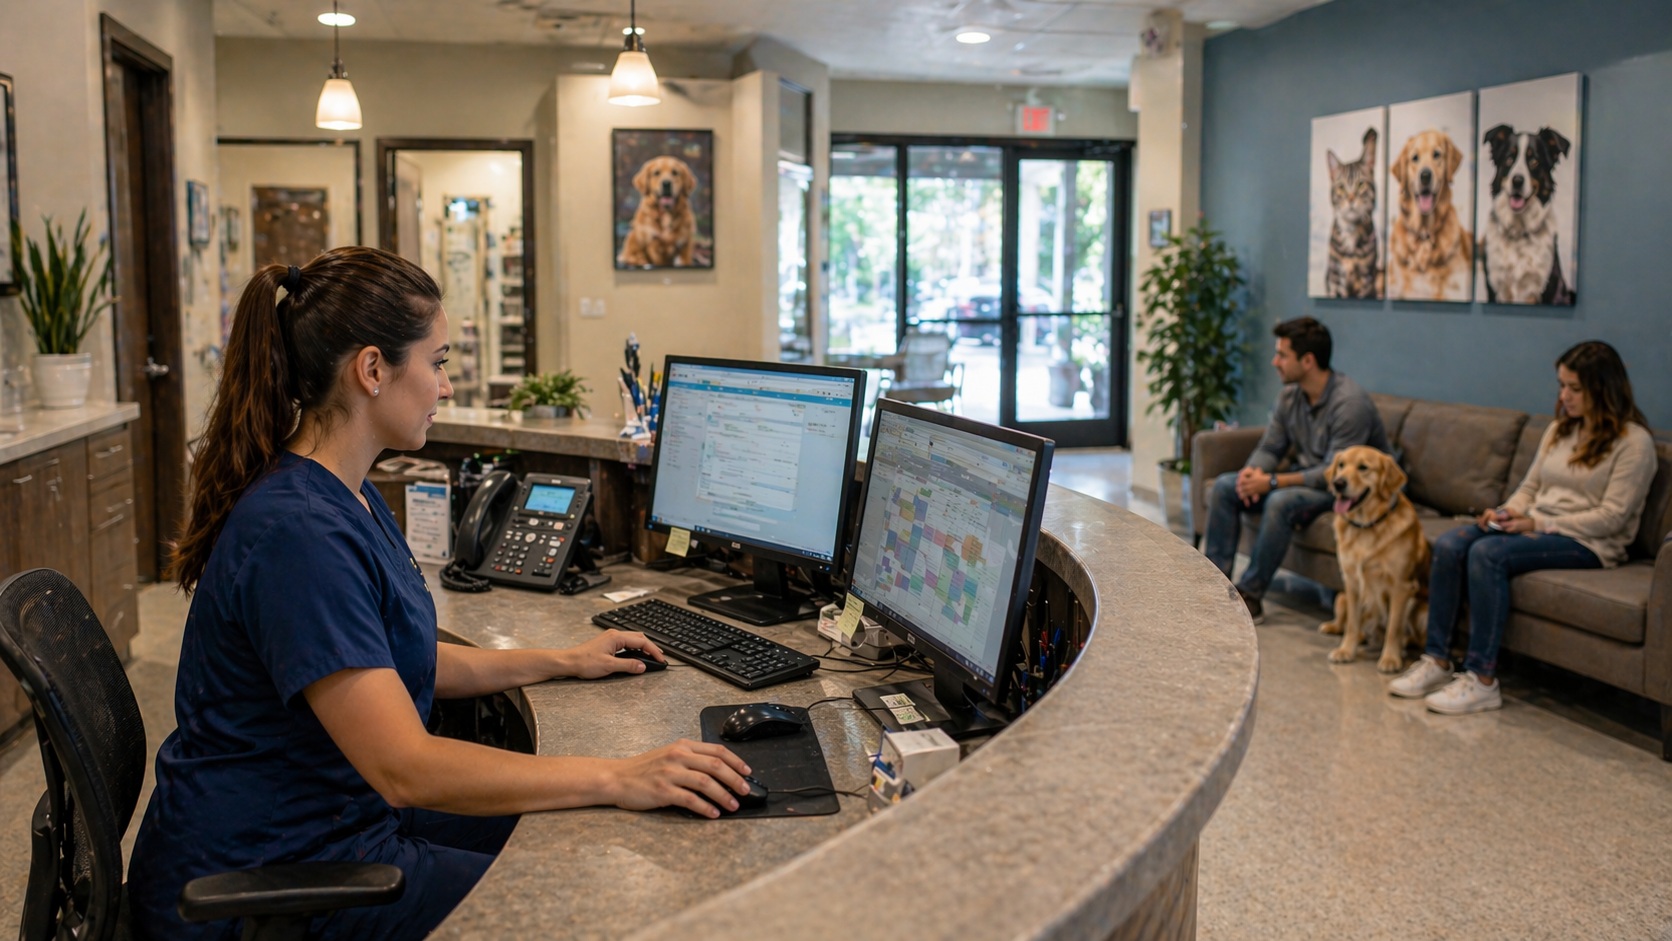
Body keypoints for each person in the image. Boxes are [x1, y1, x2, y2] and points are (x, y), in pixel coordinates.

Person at [129, 247, 753, 941]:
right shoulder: (299, 535)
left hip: (333, 817)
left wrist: (565, 658)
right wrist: (618, 772)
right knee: (587, 892)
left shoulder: (343, 491)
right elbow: (405, 766)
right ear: (372, 370)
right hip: (269, 874)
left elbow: (402, 657)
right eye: (439, 362)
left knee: (583, 827)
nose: (447, 387)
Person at [1389, 340, 1656, 714]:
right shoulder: (1560, 430)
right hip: (1537, 525)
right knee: (1451, 544)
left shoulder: (1634, 443)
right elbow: (1530, 487)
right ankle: (1436, 660)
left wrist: (1537, 523)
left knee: (1487, 554)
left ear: (1604, 389)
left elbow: (1612, 517)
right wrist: (1504, 513)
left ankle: (1482, 679)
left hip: (1590, 543)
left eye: (1575, 388)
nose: (1564, 396)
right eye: (1562, 386)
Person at [1203, 316, 1390, 622]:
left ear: (1307, 360)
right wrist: (1251, 475)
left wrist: (1272, 483)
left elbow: (1334, 474)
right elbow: (1270, 447)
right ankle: (1211, 585)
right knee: (1226, 485)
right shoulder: (1290, 396)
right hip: (1304, 480)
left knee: (1281, 501)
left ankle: (1250, 595)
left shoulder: (1349, 404)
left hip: (1348, 491)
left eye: (1282, 355)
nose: (1275, 362)